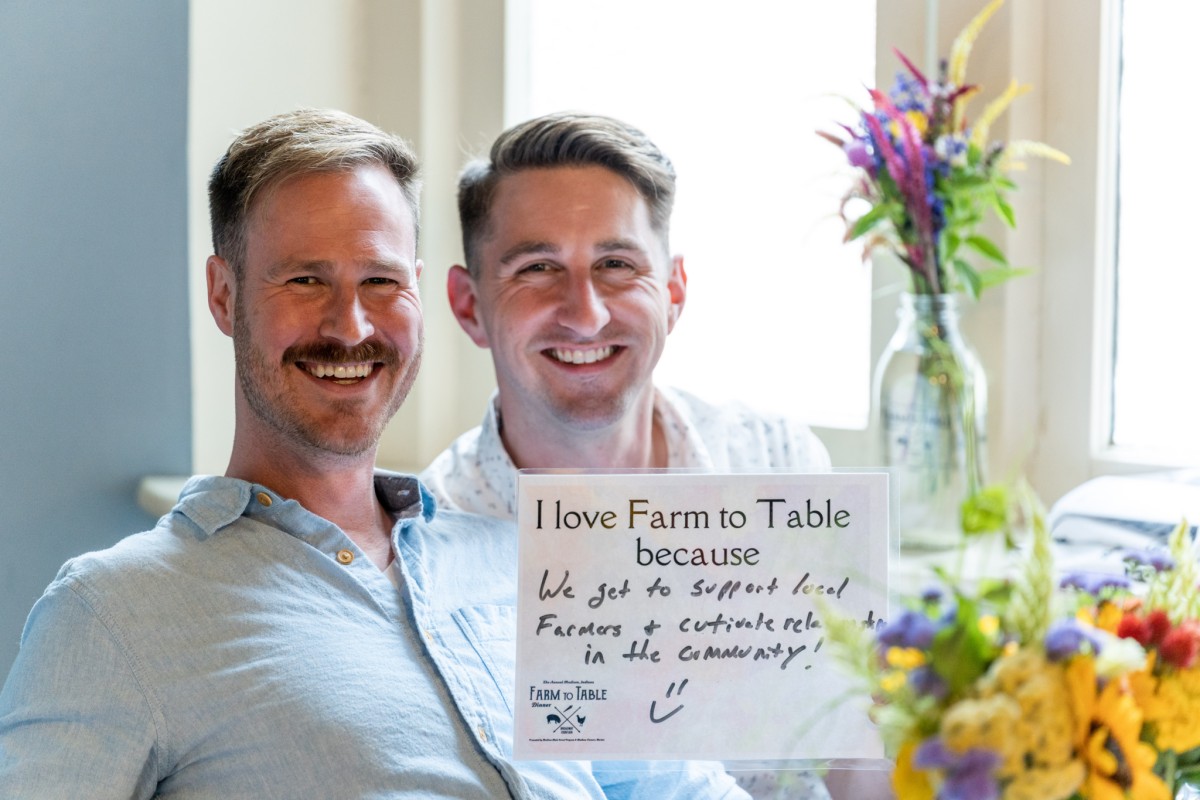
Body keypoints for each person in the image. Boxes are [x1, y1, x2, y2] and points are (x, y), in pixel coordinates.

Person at [0, 108, 745, 799]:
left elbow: (679, 787)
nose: (350, 325)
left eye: (381, 281)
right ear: (224, 296)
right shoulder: (113, 614)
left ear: (419, 296)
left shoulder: (528, 566)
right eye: (305, 279)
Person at [421, 112, 844, 799]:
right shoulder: (435, 541)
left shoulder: (778, 464)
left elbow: (855, 756)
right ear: (469, 307)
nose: (584, 313)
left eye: (617, 265)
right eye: (538, 268)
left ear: (673, 292)